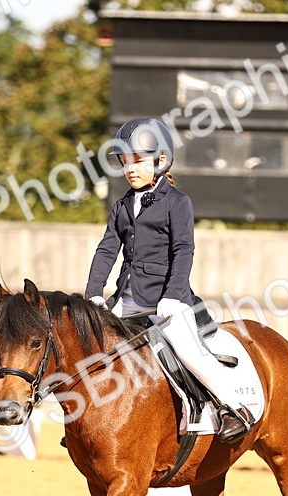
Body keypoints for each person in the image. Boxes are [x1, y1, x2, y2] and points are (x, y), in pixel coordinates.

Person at [85, 117, 254, 443]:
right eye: (124, 162)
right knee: (92, 350)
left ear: (160, 160)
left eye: (138, 160)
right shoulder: (121, 206)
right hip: (126, 298)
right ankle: (92, 421)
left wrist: (174, 296)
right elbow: (107, 249)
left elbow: (183, 250)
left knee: (187, 350)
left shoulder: (178, 203)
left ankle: (233, 408)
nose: (130, 169)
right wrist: (94, 292)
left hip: (166, 299)